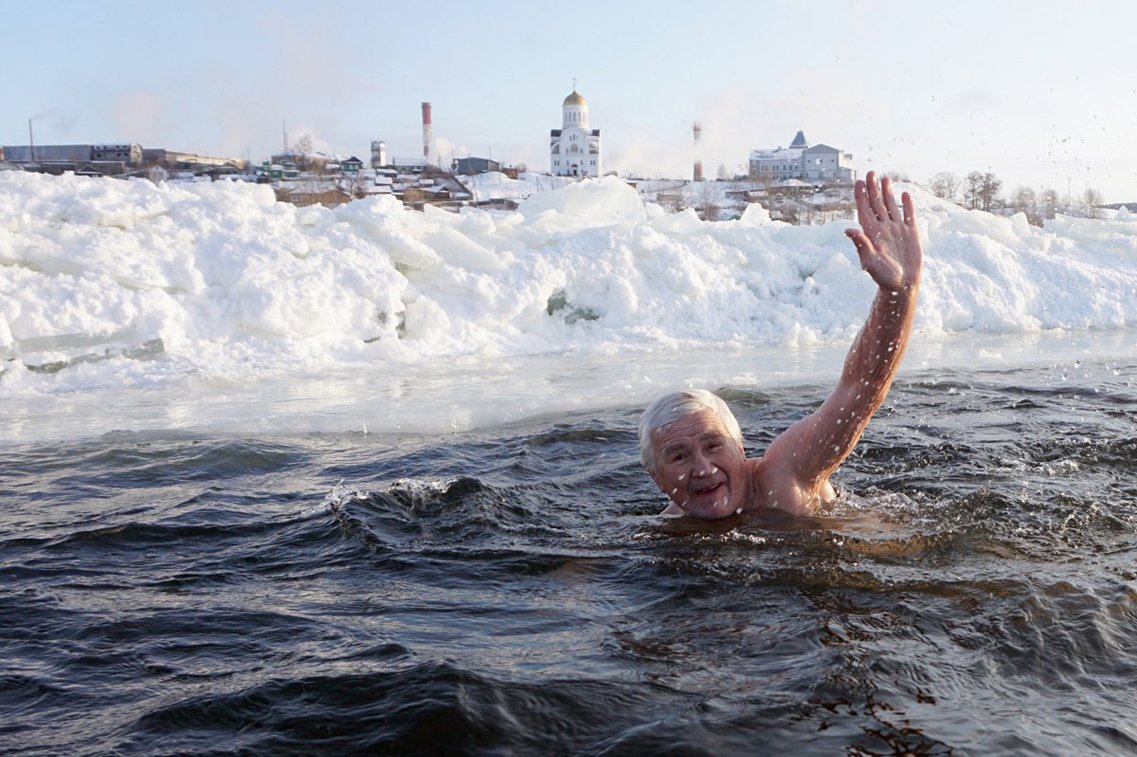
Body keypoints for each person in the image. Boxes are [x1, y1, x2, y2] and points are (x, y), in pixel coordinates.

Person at [639, 172, 923, 519]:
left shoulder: (784, 474)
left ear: (739, 447)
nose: (702, 469)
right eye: (679, 456)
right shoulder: (667, 527)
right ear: (656, 477)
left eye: (714, 445)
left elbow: (859, 392)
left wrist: (897, 294)